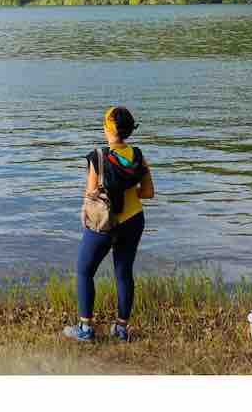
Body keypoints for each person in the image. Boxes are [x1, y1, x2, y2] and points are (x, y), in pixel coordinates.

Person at [63, 106, 154, 344]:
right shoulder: (138, 155)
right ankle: (121, 329)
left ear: (108, 129)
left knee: (84, 271)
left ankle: (85, 328)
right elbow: (148, 192)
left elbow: (91, 194)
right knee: (124, 273)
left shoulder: (98, 157)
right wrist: (128, 190)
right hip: (133, 220)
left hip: (103, 223)